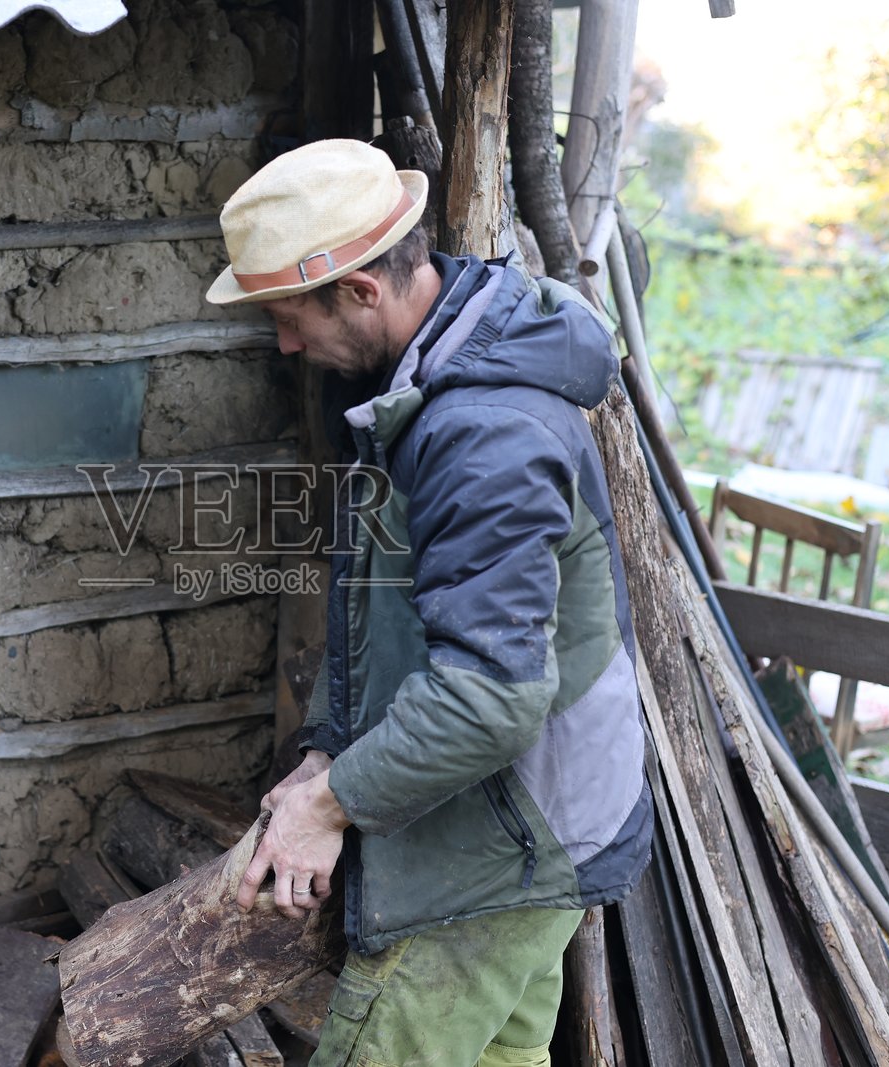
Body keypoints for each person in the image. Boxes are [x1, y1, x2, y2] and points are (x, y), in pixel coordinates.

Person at [206, 139, 653, 1067]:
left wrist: (330, 805)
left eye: (291, 318)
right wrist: (329, 745)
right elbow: (387, 613)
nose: (288, 345)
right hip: (522, 820)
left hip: (506, 837)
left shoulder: (483, 432)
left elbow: (488, 694)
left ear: (363, 292)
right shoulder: (423, 382)